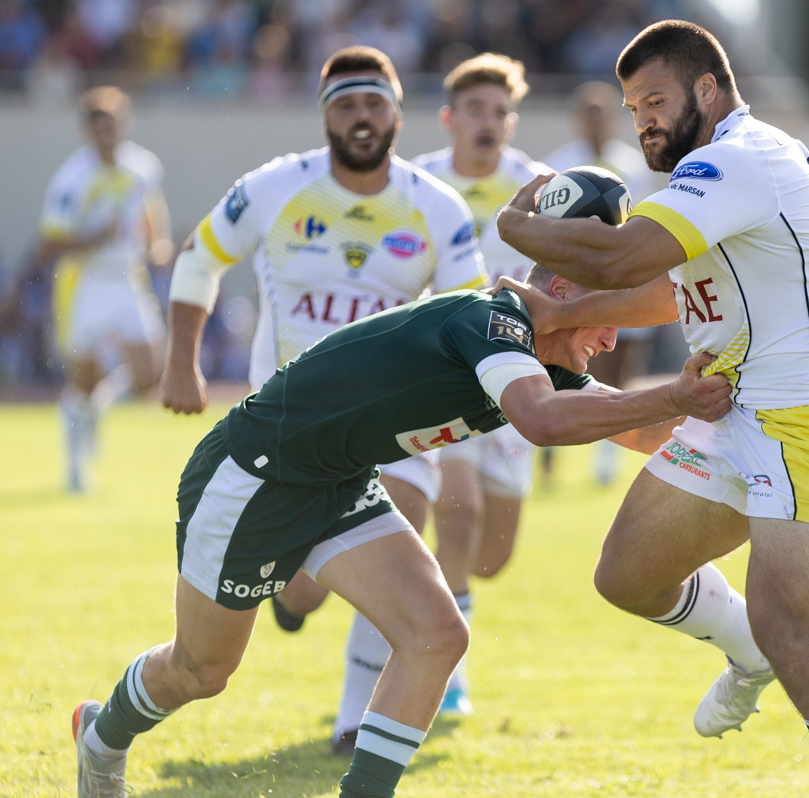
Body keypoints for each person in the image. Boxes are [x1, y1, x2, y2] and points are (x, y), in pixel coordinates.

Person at [71, 270, 734, 798]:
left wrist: (741, 405)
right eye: (610, 321)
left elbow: (637, 428)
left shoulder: (542, 360)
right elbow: (542, 421)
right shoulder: (492, 318)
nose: (614, 341)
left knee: (437, 634)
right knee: (202, 669)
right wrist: (676, 397)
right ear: (560, 292)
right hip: (256, 478)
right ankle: (101, 738)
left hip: (336, 480)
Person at [497, 21, 809, 796]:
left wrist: (516, 227)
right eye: (632, 107)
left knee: (804, 645)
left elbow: (624, 256)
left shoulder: (740, 160)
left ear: (709, 91)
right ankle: (745, 649)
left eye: (656, 99)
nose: (643, 118)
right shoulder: (715, 171)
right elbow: (672, 287)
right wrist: (560, 316)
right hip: (726, 413)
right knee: (626, 578)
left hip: (803, 420)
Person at [158, 45, 487, 750]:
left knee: (412, 524)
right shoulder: (276, 188)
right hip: (289, 426)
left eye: (373, 103)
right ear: (325, 117)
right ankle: (293, 595)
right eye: (345, 105)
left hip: (392, 420)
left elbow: (471, 316)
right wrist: (181, 364)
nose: (361, 117)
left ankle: (353, 722)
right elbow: (199, 255)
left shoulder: (436, 206)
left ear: (397, 112)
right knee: (302, 590)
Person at [375, 52, 547, 721]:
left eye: (500, 111)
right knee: (462, 511)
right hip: (448, 376)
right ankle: (448, 673)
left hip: (525, 380)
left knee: (491, 555)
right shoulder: (418, 186)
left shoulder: (539, 187)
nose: (490, 121)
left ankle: (443, 617)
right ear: (449, 119)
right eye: (476, 109)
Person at [38, 86, 173, 492]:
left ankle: (94, 411)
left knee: (149, 374)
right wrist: (95, 236)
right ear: (87, 131)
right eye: (100, 129)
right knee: (84, 377)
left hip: (127, 277)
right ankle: (76, 464)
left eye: (113, 126)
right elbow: (49, 244)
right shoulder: (72, 179)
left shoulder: (142, 166)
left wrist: (157, 243)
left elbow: (150, 206)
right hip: (85, 283)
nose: (108, 136)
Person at [544, 80, 661, 485]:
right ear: (578, 120)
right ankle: (546, 460)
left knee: (619, 368)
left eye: (605, 114)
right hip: (571, 286)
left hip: (621, 284)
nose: (597, 123)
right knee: (554, 366)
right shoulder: (560, 166)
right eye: (589, 115)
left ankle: (607, 463)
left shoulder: (634, 166)